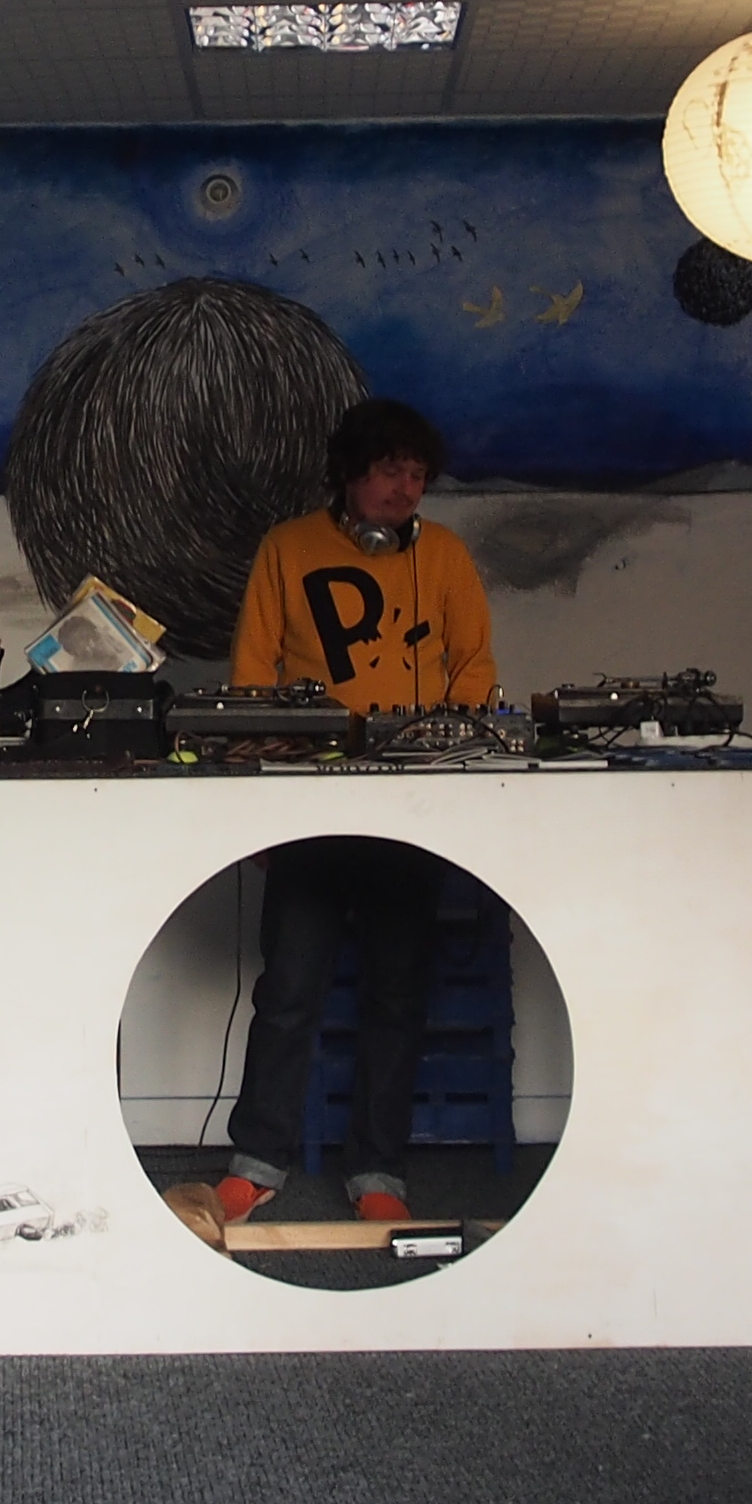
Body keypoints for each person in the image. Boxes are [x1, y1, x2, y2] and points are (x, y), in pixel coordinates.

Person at [215, 396, 500, 1227]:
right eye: (388, 472)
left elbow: (475, 665)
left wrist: (446, 743)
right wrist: (256, 796)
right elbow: (253, 673)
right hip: (307, 806)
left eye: (417, 476)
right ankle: (256, 1162)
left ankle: (378, 1169)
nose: (404, 490)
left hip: (411, 807)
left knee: (397, 996)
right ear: (348, 473)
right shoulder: (287, 548)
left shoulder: (442, 556)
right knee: (289, 990)